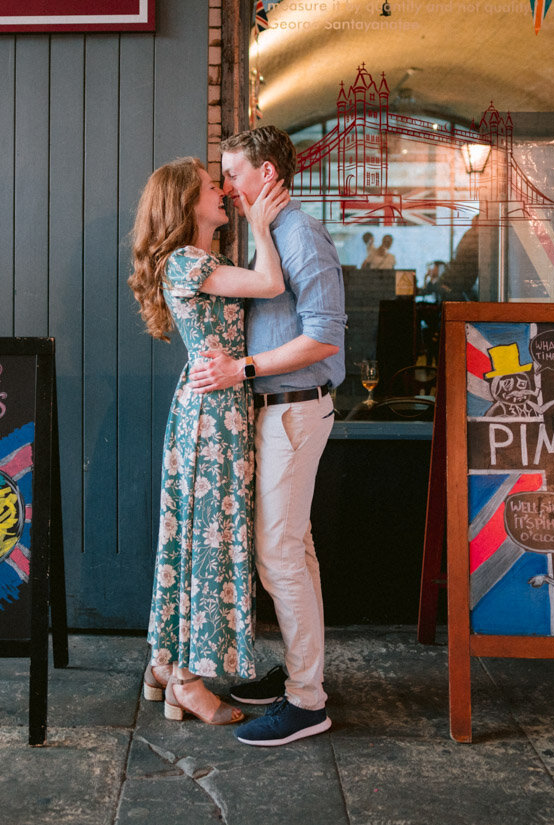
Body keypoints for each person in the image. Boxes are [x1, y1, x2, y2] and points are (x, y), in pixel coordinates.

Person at [190, 125, 346, 747]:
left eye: (233, 173)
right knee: (292, 551)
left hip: (295, 409)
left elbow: (326, 335)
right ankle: (301, 675)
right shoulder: (271, 234)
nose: (227, 187)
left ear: (267, 176)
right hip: (278, 409)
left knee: (279, 555)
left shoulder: (299, 234)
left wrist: (241, 369)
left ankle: (308, 702)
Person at [128, 157, 289, 726]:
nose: (221, 191)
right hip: (213, 418)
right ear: (185, 203)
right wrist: (265, 226)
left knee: (192, 533)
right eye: (210, 187)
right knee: (210, 537)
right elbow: (271, 284)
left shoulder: (197, 261)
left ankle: (163, 666)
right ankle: (188, 683)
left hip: (213, 410)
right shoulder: (188, 261)